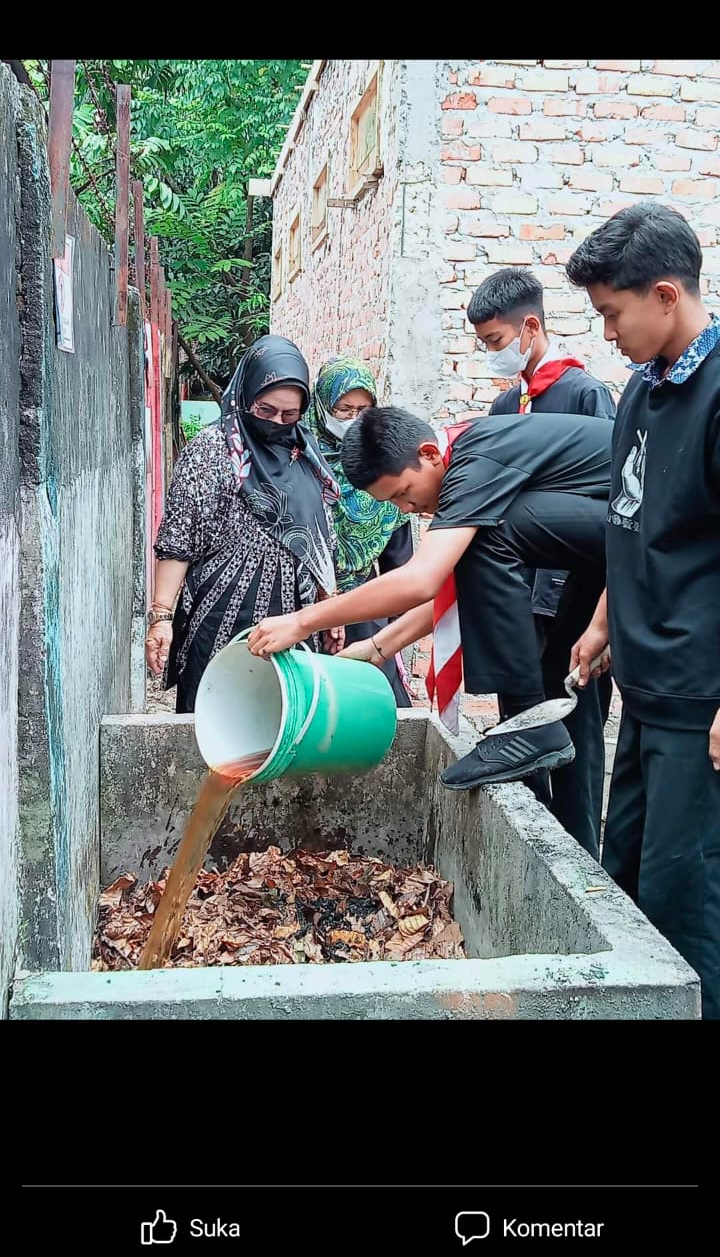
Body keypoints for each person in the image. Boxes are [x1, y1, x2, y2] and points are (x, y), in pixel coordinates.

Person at [247, 406, 613, 793]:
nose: (407, 509)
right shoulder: (470, 454)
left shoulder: (473, 463)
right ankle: (534, 742)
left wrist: (302, 621)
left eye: (404, 492)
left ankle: (528, 721)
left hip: (654, 532)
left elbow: (422, 580)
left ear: (429, 454)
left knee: (488, 534)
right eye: (393, 503)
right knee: (559, 707)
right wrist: (377, 647)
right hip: (606, 553)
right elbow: (454, 582)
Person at [566, 201, 720, 1020]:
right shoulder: (641, 392)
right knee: (622, 874)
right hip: (645, 686)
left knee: (686, 898)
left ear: (665, 295)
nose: (606, 332)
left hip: (702, 699)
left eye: (611, 313)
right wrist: (600, 621)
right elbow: (631, 524)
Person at [466, 266, 617, 856]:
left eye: (497, 343)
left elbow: (608, 512)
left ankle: (582, 862)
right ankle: (530, 851)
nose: (492, 356)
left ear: (530, 326)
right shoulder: (507, 406)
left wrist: (604, 621)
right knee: (521, 726)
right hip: (516, 601)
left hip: (575, 601)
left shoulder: (584, 394)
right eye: (483, 346)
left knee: (575, 736)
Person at [145, 335, 344, 712]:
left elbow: (321, 537)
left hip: (295, 617)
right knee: (216, 718)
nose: (276, 423)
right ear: (245, 393)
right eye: (265, 410)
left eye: (289, 415)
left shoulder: (306, 455)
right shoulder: (213, 449)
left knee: (285, 721)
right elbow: (177, 539)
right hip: (222, 612)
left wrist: (329, 605)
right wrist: (161, 618)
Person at [305, 354, 414, 706]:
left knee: (377, 706)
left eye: (364, 410)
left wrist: (397, 628)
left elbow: (402, 562)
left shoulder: (383, 467)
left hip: (365, 609)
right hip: (304, 608)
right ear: (322, 408)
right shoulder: (300, 463)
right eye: (344, 409)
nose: (354, 420)